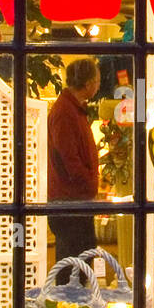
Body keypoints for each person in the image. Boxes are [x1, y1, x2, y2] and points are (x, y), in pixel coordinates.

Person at [47, 57, 101, 275]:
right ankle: (67, 307)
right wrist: (88, 183)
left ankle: (74, 304)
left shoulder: (73, 109)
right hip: (70, 201)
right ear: (88, 84)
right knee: (72, 264)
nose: (98, 85)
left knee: (81, 259)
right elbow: (70, 159)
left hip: (75, 199)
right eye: (97, 81)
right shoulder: (66, 112)